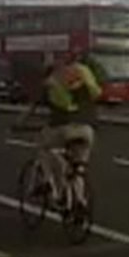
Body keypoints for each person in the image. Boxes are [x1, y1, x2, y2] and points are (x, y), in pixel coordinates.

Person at [17, 52, 101, 210]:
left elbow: (31, 108)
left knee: (43, 147)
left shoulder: (52, 80)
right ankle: (80, 201)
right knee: (78, 167)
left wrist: (18, 123)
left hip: (64, 127)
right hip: (88, 129)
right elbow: (96, 94)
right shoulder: (83, 71)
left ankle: (50, 184)